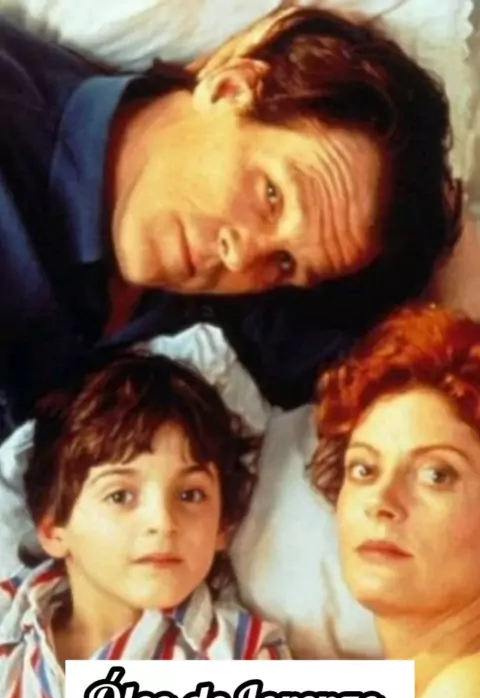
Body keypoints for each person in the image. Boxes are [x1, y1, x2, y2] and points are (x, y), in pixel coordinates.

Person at [0, 5, 460, 434]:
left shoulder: (233, 319)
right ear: (229, 87)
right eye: (272, 195)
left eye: (284, 263)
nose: (240, 258)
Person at [0, 351, 321, 698]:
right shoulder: (9, 631)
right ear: (53, 528)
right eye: (121, 496)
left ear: (224, 526)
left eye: (190, 495)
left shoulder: (241, 660)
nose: (162, 522)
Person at [268, 303, 480, 698]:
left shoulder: (469, 695)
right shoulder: (385, 692)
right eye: (364, 468)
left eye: (436, 474)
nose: (382, 500)